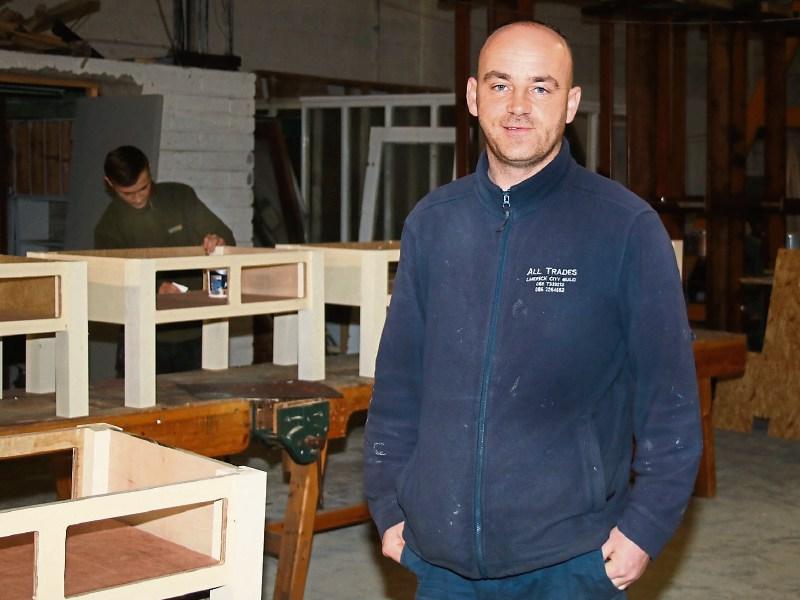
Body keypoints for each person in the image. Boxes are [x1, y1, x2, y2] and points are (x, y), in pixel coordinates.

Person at [363, 21, 701, 600]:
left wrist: (645, 525)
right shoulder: (432, 223)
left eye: (541, 88)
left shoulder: (625, 228)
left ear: (570, 104)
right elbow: (398, 386)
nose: (518, 106)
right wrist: (389, 503)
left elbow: (669, 403)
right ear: (472, 97)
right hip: (439, 561)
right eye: (500, 86)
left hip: (570, 562)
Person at [95, 145, 235, 373]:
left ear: (150, 172)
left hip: (198, 331)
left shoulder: (180, 197)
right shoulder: (108, 227)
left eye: (144, 188)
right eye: (127, 193)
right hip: (142, 337)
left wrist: (217, 241)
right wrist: (155, 288)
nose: (138, 198)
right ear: (109, 184)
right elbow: (112, 282)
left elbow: (227, 239)